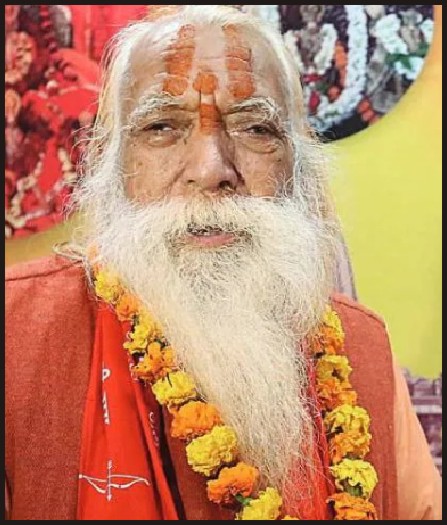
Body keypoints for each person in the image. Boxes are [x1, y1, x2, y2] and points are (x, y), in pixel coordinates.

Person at [5, 5, 441, 521]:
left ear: (299, 168)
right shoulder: (15, 330)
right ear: (110, 161)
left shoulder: (361, 348)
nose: (212, 170)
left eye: (255, 128)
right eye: (163, 127)